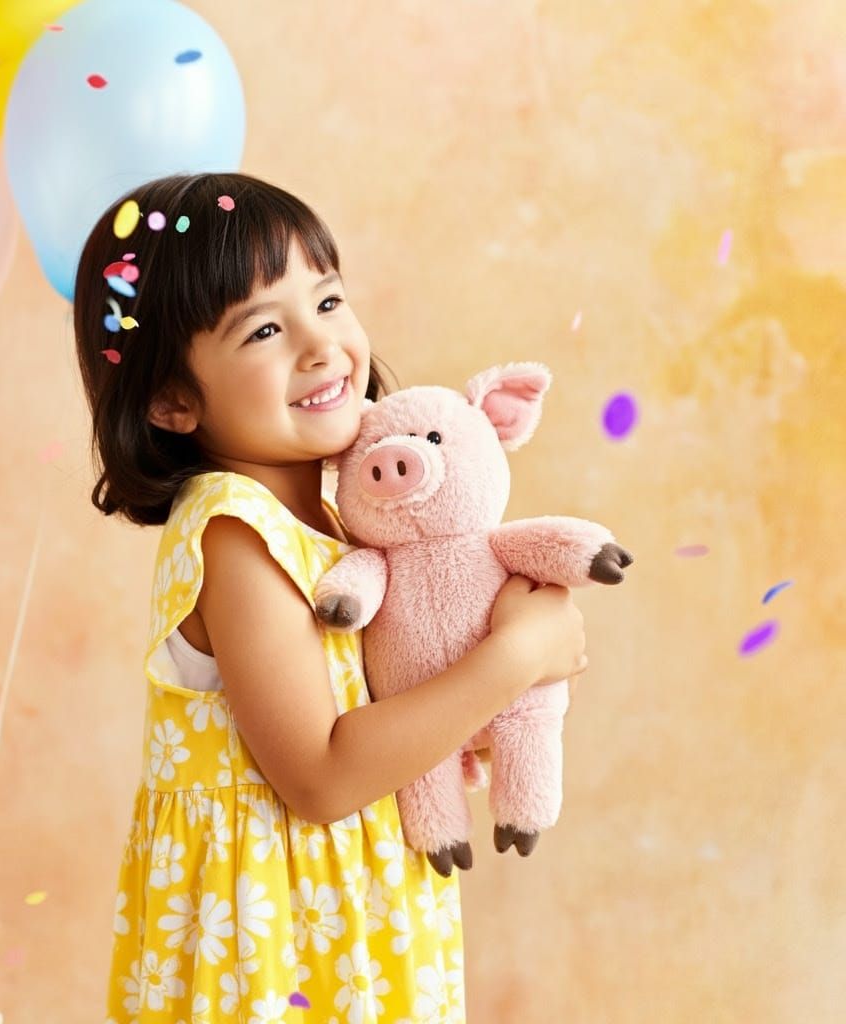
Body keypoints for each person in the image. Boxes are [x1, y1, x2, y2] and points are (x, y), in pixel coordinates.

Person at [73, 172, 588, 1023]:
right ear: (172, 399)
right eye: (264, 329)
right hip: (274, 958)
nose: (321, 347)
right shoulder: (236, 533)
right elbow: (320, 775)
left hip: (355, 934)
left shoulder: (345, 521)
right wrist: (516, 657)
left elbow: (388, 712)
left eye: (328, 300)